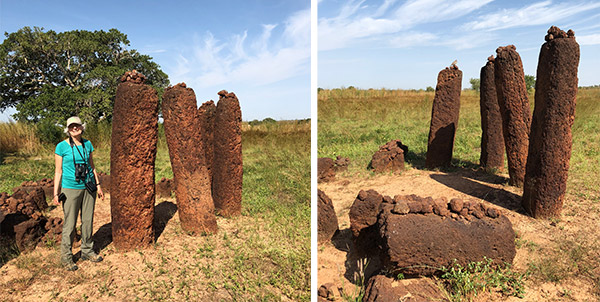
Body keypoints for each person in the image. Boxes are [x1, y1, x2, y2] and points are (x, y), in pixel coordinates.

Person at [52, 116, 104, 271]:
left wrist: (98, 185)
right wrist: (56, 192)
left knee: (87, 220)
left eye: (77, 125)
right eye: (71, 126)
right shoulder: (61, 146)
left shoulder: (88, 144)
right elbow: (58, 171)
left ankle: (87, 251)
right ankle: (66, 257)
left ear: (82, 127)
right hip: (70, 188)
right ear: (68, 129)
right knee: (70, 223)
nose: (75, 128)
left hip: (88, 187)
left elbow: (92, 166)